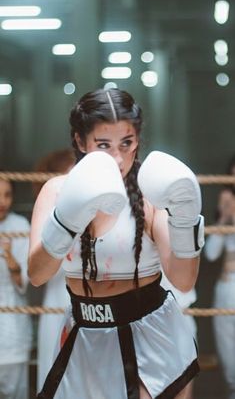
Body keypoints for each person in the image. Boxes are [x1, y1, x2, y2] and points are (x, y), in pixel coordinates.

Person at [28, 88, 205, 399]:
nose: (118, 157)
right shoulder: (57, 191)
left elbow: (184, 279)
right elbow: (38, 274)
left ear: (138, 140)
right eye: (103, 145)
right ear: (81, 141)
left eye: (127, 143)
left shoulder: (150, 194)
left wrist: (186, 219)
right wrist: (67, 219)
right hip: (86, 329)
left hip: (152, 335)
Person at [33, 149, 76, 391]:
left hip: (91, 303)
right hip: (57, 300)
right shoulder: (46, 216)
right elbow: (36, 273)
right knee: (54, 372)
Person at [204, 154, 235, 399]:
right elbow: (212, 254)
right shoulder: (227, 204)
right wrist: (224, 216)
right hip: (226, 292)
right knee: (230, 367)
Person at [0, 178, 32, 399]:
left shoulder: (20, 226)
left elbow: (25, 281)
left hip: (12, 325)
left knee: (15, 392)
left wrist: (10, 258)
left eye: (7, 195)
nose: (2, 201)